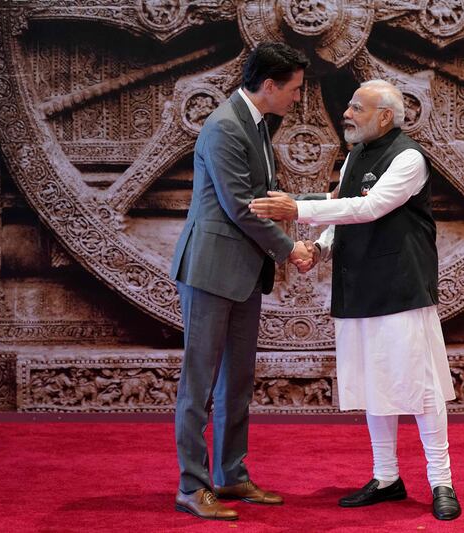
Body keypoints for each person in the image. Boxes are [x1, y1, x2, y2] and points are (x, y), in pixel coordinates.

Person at [249, 79, 462, 521]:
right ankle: (386, 477)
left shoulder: (409, 158)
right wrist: (322, 247)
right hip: (357, 284)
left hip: (401, 287)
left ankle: (441, 481)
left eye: (356, 107)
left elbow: (370, 209)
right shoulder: (353, 159)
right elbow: (346, 211)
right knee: (374, 383)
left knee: (420, 388)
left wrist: (299, 210)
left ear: (385, 115)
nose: (346, 113)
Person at [170, 42, 311, 521]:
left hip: (243, 272)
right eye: (293, 89)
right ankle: (192, 486)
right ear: (268, 85)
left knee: (237, 382)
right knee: (200, 383)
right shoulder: (226, 126)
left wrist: (314, 205)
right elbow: (240, 207)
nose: (297, 98)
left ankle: (230, 475)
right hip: (211, 271)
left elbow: (263, 198)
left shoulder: (253, 123)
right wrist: (291, 248)